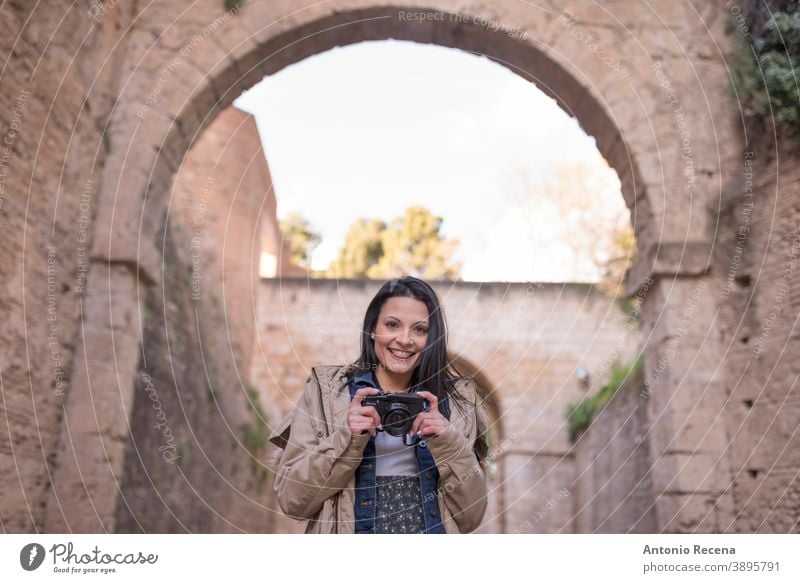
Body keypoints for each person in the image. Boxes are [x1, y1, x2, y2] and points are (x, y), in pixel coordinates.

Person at [268, 276, 490, 534]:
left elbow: (471, 518)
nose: (405, 339)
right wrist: (347, 438)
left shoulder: (457, 402)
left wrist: (448, 442)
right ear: (373, 328)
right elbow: (292, 500)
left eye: (419, 329)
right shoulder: (326, 392)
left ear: (432, 338)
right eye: (392, 324)